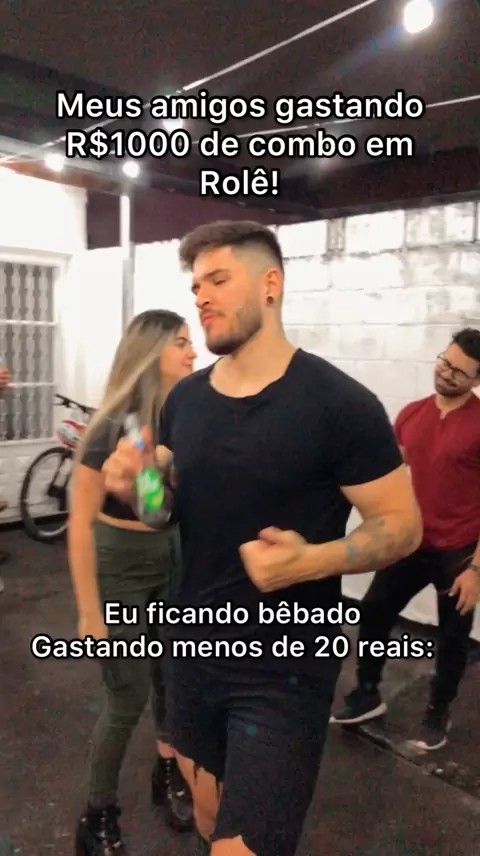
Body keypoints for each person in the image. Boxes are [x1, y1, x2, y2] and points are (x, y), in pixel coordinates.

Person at [101, 221, 422, 856]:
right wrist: (140, 488)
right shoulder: (186, 400)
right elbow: (166, 514)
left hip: (284, 670)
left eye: (218, 280)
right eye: (196, 286)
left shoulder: (340, 404)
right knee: (206, 819)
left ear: (270, 284)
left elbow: (403, 525)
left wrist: (315, 560)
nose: (201, 297)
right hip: (192, 651)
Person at [68, 310, 196, 856]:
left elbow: (164, 508)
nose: (193, 352)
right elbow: (80, 523)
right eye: (182, 343)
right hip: (119, 565)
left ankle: (165, 774)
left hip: (171, 556)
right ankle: (96, 814)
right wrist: (90, 611)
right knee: (127, 696)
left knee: (171, 679)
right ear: (151, 353)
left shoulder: (183, 416)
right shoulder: (110, 427)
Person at [331, 328, 480, 751]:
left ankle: (437, 712)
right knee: (374, 612)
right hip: (412, 541)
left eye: (459, 371)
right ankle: (367, 693)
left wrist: (475, 569)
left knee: (453, 639)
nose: (446, 373)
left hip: (459, 553)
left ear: (476, 380)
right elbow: (387, 471)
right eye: (445, 362)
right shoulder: (413, 414)